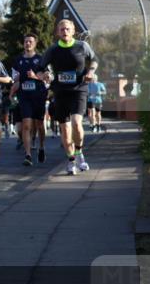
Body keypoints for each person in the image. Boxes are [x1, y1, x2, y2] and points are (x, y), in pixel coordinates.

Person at [42, 19, 98, 174]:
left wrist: (90, 71)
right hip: (60, 92)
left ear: (73, 31)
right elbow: (40, 67)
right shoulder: (53, 50)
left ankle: (79, 153)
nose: (65, 32)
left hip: (79, 89)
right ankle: (71, 160)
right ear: (58, 32)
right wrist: (45, 74)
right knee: (65, 131)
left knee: (76, 123)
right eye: (62, 29)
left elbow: (94, 60)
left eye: (67, 29)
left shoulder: (82, 46)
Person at [9, 32, 49, 165]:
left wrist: (35, 77)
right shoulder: (18, 60)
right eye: (26, 41)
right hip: (24, 96)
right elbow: (14, 79)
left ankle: (41, 146)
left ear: (35, 44)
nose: (28, 43)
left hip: (39, 96)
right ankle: (28, 155)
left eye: (30, 41)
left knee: (40, 125)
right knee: (26, 125)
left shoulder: (41, 59)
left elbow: (48, 78)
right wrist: (12, 91)